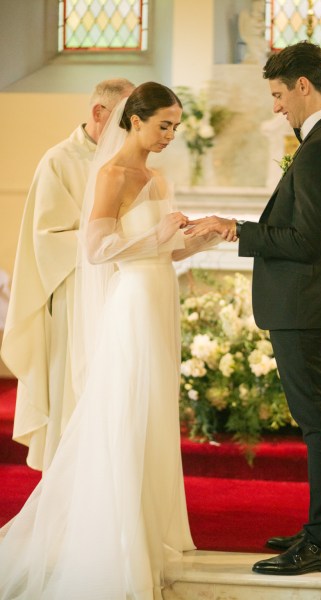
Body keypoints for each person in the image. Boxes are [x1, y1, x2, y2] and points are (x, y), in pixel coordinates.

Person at [0, 81, 220, 600]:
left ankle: (154, 531)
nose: (170, 135)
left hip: (159, 300)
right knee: (125, 413)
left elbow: (163, 252)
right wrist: (161, 235)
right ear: (134, 120)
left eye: (176, 126)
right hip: (132, 307)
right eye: (163, 124)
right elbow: (98, 251)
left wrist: (199, 239)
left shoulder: (158, 179)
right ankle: (118, 541)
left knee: (155, 415)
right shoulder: (112, 174)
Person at [185, 41, 321, 575]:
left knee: (319, 424)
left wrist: (233, 229)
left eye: (278, 94)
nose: (276, 107)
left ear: (303, 86)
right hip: (306, 301)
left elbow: (303, 240)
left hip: (303, 303)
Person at [0, 78, 135, 471]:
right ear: (99, 114)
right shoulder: (59, 161)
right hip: (73, 296)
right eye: (128, 117)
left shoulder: (128, 160)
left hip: (118, 294)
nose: (135, 125)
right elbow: (47, 240)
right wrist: (117, 237)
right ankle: (69, 490)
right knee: (74, 397)